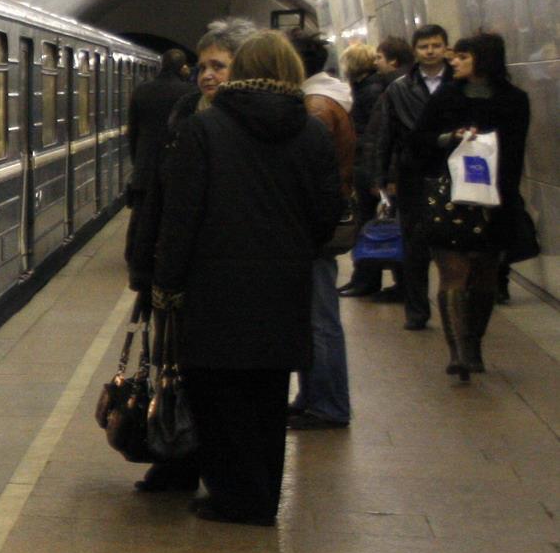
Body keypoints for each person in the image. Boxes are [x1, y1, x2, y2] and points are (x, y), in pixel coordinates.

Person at [152, 31, 341, 524]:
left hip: (214, 286)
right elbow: (327, 214)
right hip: (284, 286)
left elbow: (182, 216)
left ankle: (230, 496)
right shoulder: (314, 132)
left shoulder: (207, 130)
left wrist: (167, 282)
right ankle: (261, 498)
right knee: (267, 395)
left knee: (217, 396)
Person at [125, 20, 252, 495]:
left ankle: (210, 461)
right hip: (172, 267)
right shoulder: (182, 112)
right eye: (203, 66)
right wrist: (144, 266)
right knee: (170, 365)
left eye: (219, 66)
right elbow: (158, 196)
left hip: (219, 271)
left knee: (213, 375)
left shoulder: (243, 123)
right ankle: (174, 457)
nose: (207, 75)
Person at [412, 32, 532, 379]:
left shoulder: (514, 101)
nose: (454, 61)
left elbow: (515, 155)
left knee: (483, 277)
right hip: (450, 198)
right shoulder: (446, 97)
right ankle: (458, 352)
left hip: (494, 199)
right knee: (453, 273)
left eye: (462, 56)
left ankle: (474, 344)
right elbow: (419, 140)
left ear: (484, 60)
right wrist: (449, 139)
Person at [288, 28, 355, 430]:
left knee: (319, 319)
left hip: (313, 228)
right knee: (315, 316)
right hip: (319, 223)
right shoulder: (325, 98)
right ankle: (312, 396)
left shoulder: (315, 108)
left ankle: (328, 404)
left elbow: (312, 174)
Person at [373, 24, 453, 328]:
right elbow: (386, 135)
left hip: (450, 169)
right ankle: (417, 310)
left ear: (445, 48)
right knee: (414, 243)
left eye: (436, 45)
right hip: (414, 172)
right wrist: (382, 176)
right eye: (424, 46)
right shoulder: (399, 88)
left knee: (451, 240)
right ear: (415, 51)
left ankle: (454, 304)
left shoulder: (458, 83)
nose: (430, 51)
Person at [341, 36, 409, 298]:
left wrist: (378, 175)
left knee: (375, 223)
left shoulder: (371, 91)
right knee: (377, 222)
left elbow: (379, 135)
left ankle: (369, 278)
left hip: (370, 166)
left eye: (379, 57)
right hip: (370, 164)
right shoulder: (373, 87)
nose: (376, 61)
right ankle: (368, 277)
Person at [126, 49, 196, 207]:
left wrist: (138, 163)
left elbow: (133, 132)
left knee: (143, 222)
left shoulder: (140, 91)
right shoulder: (190, 93)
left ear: (162, 65)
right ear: (183, 68)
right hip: (177, 172)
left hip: (145, 171)